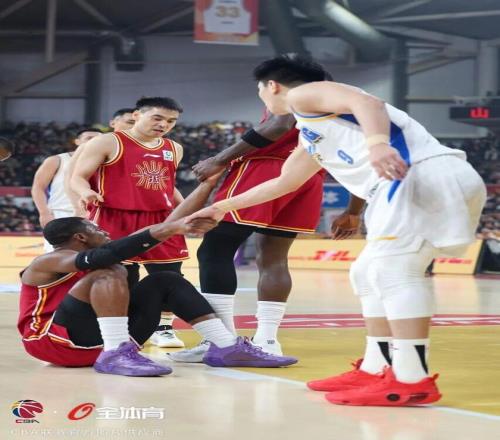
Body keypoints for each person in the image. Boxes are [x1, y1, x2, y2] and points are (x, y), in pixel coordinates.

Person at [187, 54, 487, 406]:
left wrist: (378, 144)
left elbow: (368, 103)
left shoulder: (304, 95)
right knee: (366, 272)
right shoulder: (311, 132)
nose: (262, 98)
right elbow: (283, 183)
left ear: (272, 86)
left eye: (260, 91)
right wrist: (219, 208)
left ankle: (411, 377)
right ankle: (376, 367)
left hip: (419, 174)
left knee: (394, 272)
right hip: (410, 182)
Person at [18, 178, 297, 377]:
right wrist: (168, 230)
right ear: (80, 237)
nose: (103, 231)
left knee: (165, 279)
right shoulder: (48, 261)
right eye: (96, 229)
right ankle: (116, 353)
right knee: (110, 270)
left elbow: (159, 228)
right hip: (52, 343)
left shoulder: (103, 251)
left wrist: (207, 185)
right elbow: (109, 255)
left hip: (95, 340)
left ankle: (225, 347)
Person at [170, 111, 360, 362]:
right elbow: (359, 159)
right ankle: (268, 341)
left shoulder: (297, 96)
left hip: (264, 168)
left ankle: (221, 340)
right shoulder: (343, 107)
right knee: (274, 257)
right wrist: (354, 211)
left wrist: (219, 159)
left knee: (215, 249)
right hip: (309, 177)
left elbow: (280, 124)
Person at [70, 98, 189, 349]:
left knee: (170, 275)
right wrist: (85, 192)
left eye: (171, 121)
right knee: (122, 276)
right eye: (157, 118)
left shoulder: (174, 148)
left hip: (161, 218)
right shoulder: (107, 142)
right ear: (136, 115)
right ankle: (122, 329)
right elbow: (78, 177)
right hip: (115, 216)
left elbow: (168, 184)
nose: (164, 125)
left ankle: (164, 329)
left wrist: (187, 209)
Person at [31, 128, 103, 251]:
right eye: (89, 138)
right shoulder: (57, 160)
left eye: (97, 139)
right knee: (58, 254)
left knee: (92, 255)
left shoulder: (105, 161)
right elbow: (38, 187)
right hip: (62, 213)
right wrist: (44, 213)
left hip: (94, 213)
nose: (93, 141)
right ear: (77, 141)